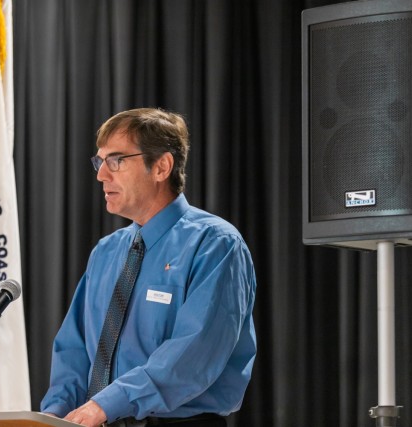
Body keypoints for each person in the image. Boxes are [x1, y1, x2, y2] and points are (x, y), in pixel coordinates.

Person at [40, 108, 257, 427]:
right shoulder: (106, 251)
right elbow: (74, 348)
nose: (101, 175)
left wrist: (106, 404)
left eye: (115, 161)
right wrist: (53, 413)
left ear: (161, 166)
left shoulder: (215, 244)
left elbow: (192, 356)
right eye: (99, 162)